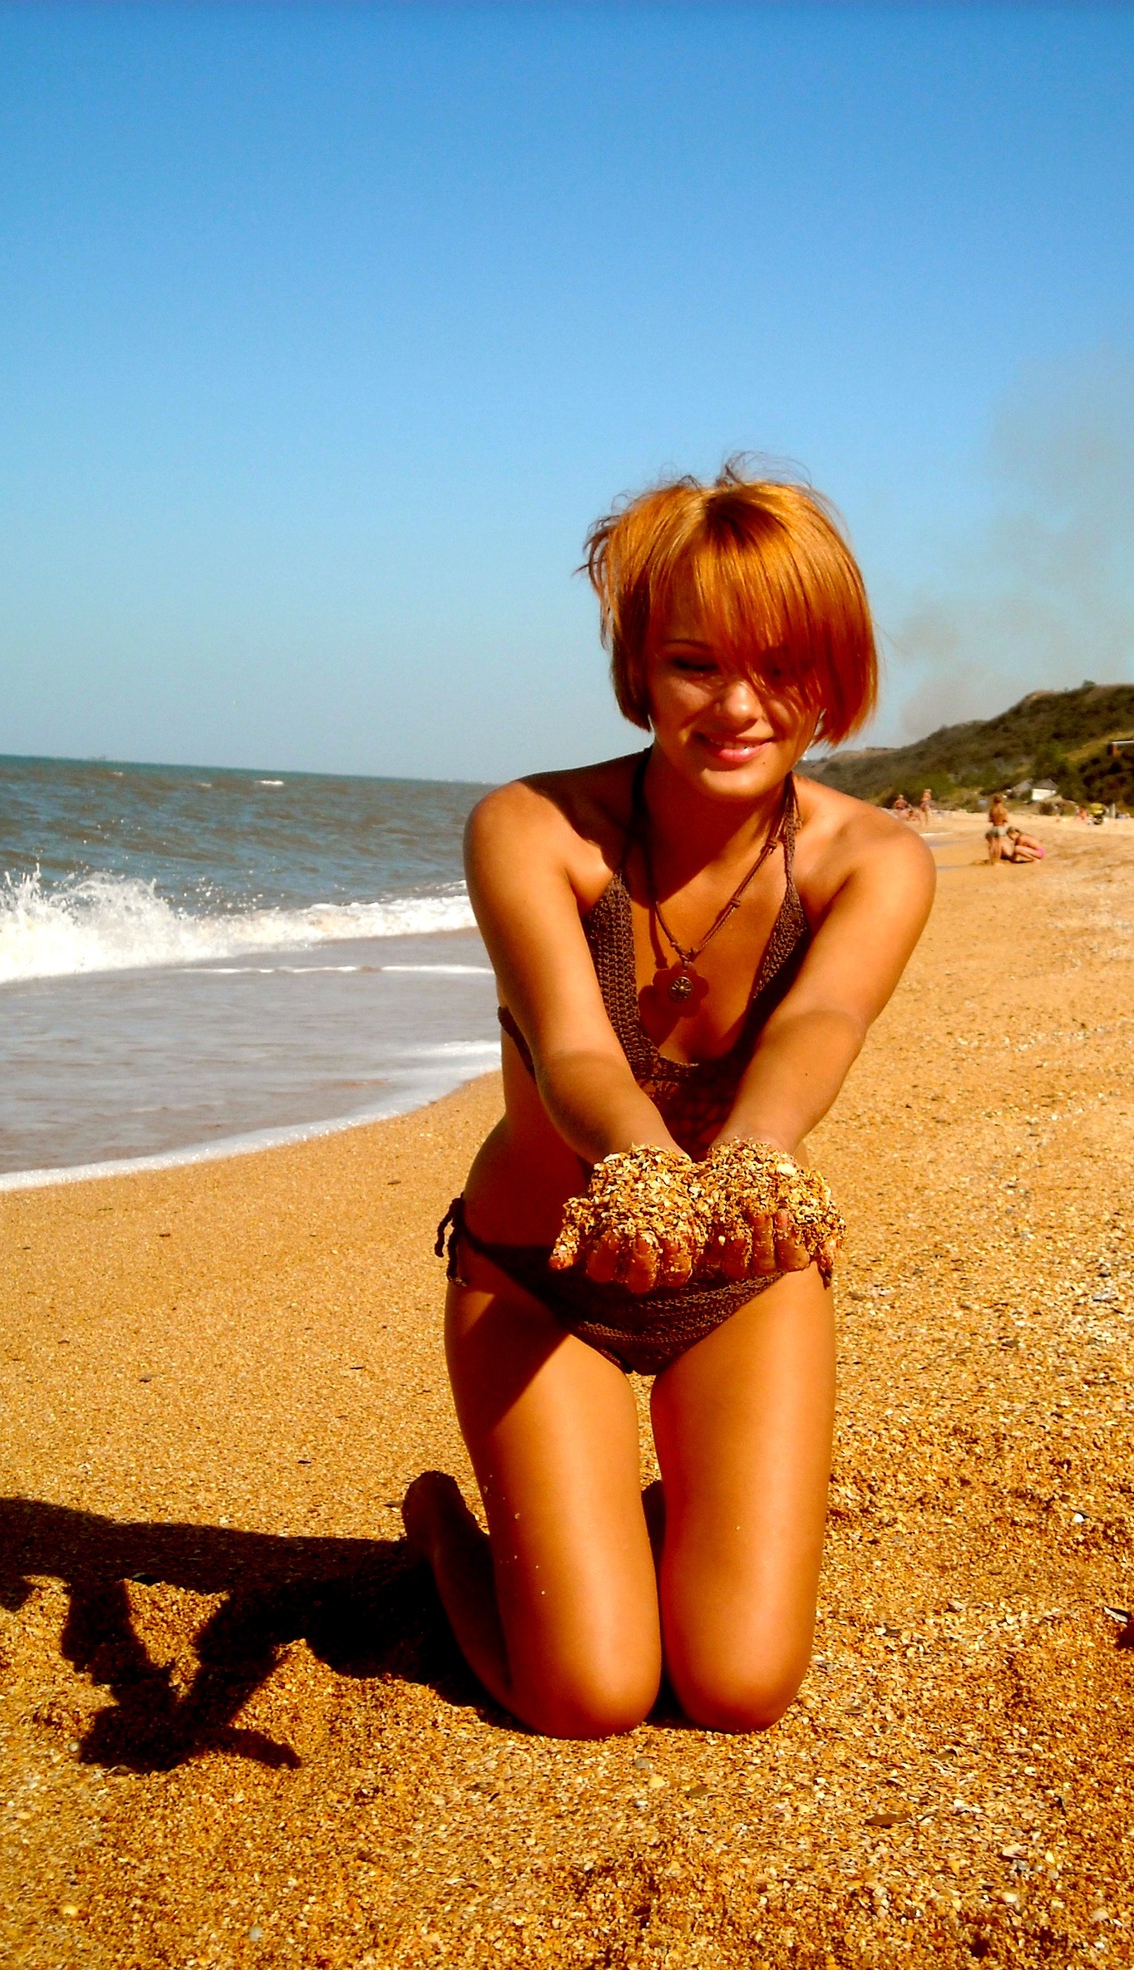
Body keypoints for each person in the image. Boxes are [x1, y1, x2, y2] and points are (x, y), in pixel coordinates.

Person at [403, 465, 935, 1741]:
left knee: (738, 1688)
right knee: (586, 1697)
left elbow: (821, 1022)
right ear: (640, 669)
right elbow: (572, 1050)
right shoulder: (531, 828)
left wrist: (754, 1152)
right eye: (696, 664)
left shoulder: (876, 860)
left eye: (783, 666)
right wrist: (643, 1161)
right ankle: (442, 1528)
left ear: (838, 674)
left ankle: (641, 1541)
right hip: (543, 1278)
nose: (740, 705)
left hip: (739, 1280)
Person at [985, 792, 1011, 863]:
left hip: (994, 827)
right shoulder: (1004, 810)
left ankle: (991, 859)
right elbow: (1006, 820)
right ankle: (997, 859)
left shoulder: (992, 810)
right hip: (1001, 827)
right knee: (999, 845)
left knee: (992, 844)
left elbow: (989, 820)